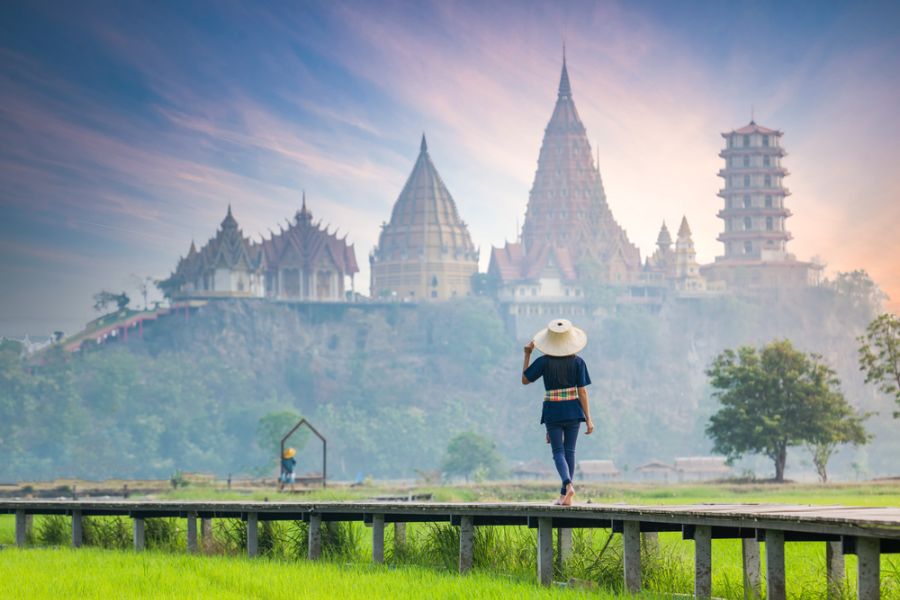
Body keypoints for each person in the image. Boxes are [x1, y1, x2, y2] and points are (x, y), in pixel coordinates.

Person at [522, 318, 594, 506]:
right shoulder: (578, 362)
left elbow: (525, 379)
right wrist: (588, 419)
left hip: (553, 410)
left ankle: (567, 487)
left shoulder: (544, 361)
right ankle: (565, 494)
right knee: (569, 451)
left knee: (558, 451)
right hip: (573, 410)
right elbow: (583, 392)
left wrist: (527, 354)